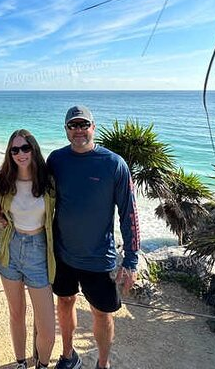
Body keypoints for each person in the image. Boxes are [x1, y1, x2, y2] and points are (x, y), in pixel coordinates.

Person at [47, 105, 140, 369]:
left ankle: (103, 363)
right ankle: (68, 355)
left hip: (100, 259)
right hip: (64, 254)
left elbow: (129, 213)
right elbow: (37, 194)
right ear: (66, 130)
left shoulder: (114, 164)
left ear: (93, 127)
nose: (78, 131)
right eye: (72, 126)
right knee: (64, 302)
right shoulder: (56, 160)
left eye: (83, 125)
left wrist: (132, 261)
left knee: (102, 313)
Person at [0, 129, 56, 369]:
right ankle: (20, 363)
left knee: (47, 328)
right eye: (15, 149)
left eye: (25, 148)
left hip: (39, 251)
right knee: (16, 314)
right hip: (10, 249)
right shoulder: (4, 180)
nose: (21, 154)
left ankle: (42, 364)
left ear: (34, 149)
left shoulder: (48, 181)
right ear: (10, 153)